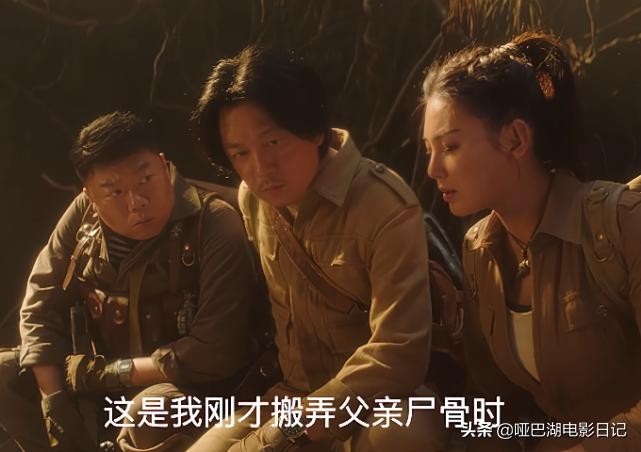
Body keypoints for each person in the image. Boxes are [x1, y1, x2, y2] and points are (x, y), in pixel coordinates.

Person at [187, 46, 448, 451]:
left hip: (376, 403)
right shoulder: (253, 200)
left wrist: (286, 430)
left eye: (273, 142)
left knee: (399, 436)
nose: (260, 168)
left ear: (314, 131)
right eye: (240, 154)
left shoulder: (383, 205)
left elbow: (400, 353)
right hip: (291, 396)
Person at [423, 31, 641, 451]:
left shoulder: (620, 222)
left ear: (516, 139)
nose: (433, 169)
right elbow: (494, 403)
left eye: (449, 145)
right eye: (428, 149)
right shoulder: (479, 250)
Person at [0, 111, 259, 451]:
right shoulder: (83, 217)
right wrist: (55, 402)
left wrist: (105, 374)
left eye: (145, 179)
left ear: (164, 165)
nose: (136, 203)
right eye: (114, 192)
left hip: (199, 394)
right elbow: (40, 306)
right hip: (102, 389)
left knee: (149, 411)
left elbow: (216, 352)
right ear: (91, 196)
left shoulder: (213, 223)